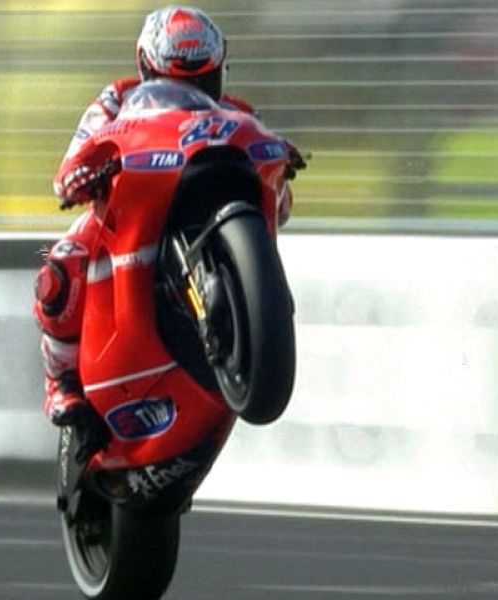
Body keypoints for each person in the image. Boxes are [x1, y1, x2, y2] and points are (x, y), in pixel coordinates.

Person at [33, 6, 306, 453]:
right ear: (146, 69)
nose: (194, 92)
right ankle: (60, 382)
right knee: (59, 261)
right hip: (131, 206)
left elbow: (282, 203)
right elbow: (69, 169)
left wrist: (282, 161)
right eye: (176, 83)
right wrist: (82, 174)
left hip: (206, 197)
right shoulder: (115, 101)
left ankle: (245, 323)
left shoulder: (235, 112)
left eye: (202, 82)